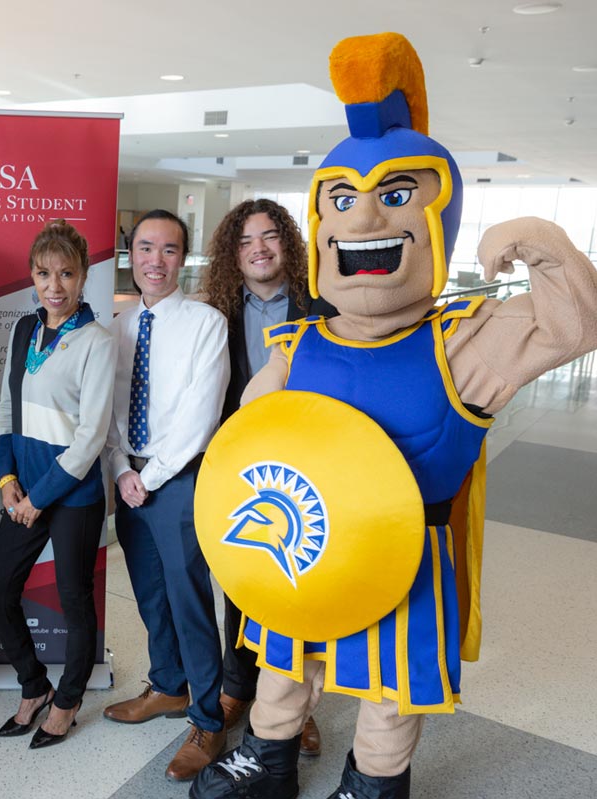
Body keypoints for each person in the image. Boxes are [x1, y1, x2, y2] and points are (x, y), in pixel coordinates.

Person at [191, 33, 597, 799]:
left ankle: (374, 782)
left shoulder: (463, 343)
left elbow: (574, 326)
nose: (364, 218)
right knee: (285, 664)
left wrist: (541, 244)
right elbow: (247, 441)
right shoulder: (297, 342)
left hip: (406, 550)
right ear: (320, 223)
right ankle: (270, 757)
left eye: (395, 193)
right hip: (300, 541)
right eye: (342, 199)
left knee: (391, 692)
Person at [200, 198, 333, 753]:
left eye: (270, 236)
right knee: (243, 578)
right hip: (240, 463)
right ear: (234, 254)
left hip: (308, 464)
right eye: (246, 240)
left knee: (299, 581)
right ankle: (237, 687)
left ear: (288, 244)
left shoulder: (323, 308)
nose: (259, 247)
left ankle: (296, 703)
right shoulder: (216, 313)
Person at [102, 209, 231, 782]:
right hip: (126, 477)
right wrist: (118, 468)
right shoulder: (114, 324)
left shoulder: (206, 323)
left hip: (175, 482)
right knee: (151, 597)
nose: (156, 261)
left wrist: (146, 477)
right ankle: (169, 687)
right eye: (146, 248)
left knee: (189, 603)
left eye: (170, 250)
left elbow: (200, 418)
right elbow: (105, 407)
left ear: (185, 257)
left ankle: (208, 717)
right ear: (132, 254)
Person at [0, 220, 115, 749]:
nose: (54, 285)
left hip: (74, 494)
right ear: (31, 276)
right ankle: (34, 686)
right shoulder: (22, 330)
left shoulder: (97, 342)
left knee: (74, 601)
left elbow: (91, 437)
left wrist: (39, 497)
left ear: (83, 276)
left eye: (66, 273)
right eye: (43, 273)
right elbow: (9, 408)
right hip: (26, 487)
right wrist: (8, 479)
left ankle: (68, 699)